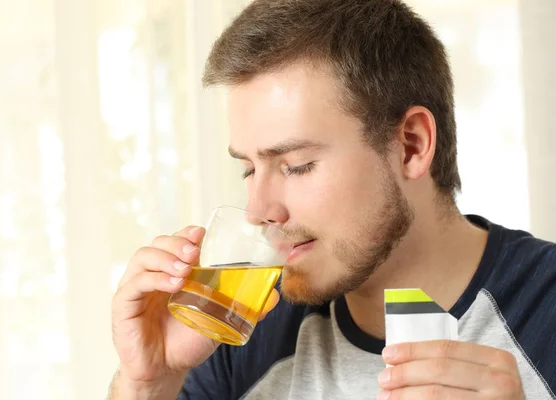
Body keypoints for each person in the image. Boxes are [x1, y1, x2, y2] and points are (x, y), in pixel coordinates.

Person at [107, 0, 556, 399]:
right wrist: (146, 385)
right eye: (249, 168)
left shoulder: (546, 311)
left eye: (296, 164)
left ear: (411, 146)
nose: (259, 211)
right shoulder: (245, 333)